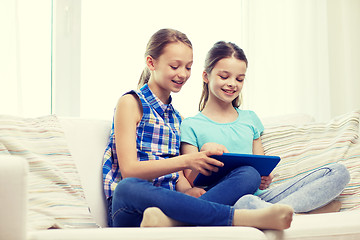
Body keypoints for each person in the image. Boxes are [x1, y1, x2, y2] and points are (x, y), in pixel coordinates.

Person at [102, 28, 294, 229]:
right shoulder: (131, 103)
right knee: (127, 187)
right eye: (175, 66)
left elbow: (178, 178)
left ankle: (173, 223)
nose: (183, 74)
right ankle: (238, 218)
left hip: (171, 207)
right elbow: (129, 170)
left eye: (188, 67)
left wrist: (186, 191)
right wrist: (187, 160)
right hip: (132, 207)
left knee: (249, 174)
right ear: (151, 63)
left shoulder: (179, 119)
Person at [180, 41, 350, 214]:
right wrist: (205, 155)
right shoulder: (191, 125)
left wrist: (264, 178)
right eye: (224, 77)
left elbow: (259, 167)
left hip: (258, 198)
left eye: (239, 79)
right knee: (247, 182)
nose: (232, 84)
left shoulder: (250, 119)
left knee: (338, 172)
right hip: (222, 199)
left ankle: (276, 212)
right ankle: (298, 211)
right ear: (206, 76)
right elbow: (192, 181)